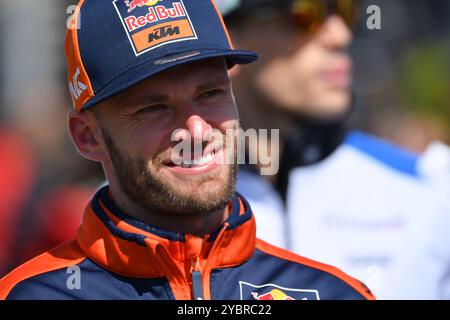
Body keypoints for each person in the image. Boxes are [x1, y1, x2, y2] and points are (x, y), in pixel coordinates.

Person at [0, 0, 374, 300]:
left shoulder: (335, 292)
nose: (196, 130)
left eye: (210, 94)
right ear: (87, 136)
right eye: (154, 108)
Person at [221, 0, 450, 299]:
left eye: (344, 10)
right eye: (305, 15)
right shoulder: (168, 201)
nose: (340, 35)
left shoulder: (433, 185)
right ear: (226, 35)